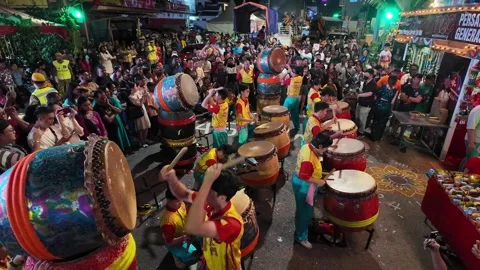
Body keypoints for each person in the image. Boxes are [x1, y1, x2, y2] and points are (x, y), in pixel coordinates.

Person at [160, 164, 243, 270]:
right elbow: (184, 194)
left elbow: (194, 227)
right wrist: (171, 177)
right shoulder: (210, 203)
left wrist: (207, 183)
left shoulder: (231, 223)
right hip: (209, 259)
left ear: (222, 197)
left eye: (208, 189)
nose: (203, 192)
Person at [292, 132, 333, 249]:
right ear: (320, 146)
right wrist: (319, 182)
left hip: (303, 182)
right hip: (304, 185)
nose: (326, 150)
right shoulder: (308, 159)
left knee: (303, 209)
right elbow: (304, 176)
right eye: (326, 148)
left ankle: (302, 223)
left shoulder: (307, 146)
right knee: (304, 212)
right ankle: (301, 237)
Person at [160, 187, 200, 269]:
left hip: (185, 233)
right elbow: (170, 242)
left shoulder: (180, 204)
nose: (181, 202)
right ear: (168, 200)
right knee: (191, 255)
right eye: (177, 201)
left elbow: (187, 212)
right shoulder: (168, 221)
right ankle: (181, 259)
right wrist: (183, 238)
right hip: (176, 242)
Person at [370, 76, 400, 141]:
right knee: (380, 122)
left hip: (381, 106)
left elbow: (377, 96)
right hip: (384, 106)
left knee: (378, 122)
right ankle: (376, 137)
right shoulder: (393, 90)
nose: (392, 82)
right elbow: (392, 102)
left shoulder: (384, 87)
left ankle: (375, 137)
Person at [128, 76, 151, 147]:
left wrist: (144, 95)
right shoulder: (131, 97)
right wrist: (143, 97)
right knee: (140, 128)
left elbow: (143, 100)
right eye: (135, 86)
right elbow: (139, 104)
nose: (136, 87)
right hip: (138, 113)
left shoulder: (138, 92)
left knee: (146, 126)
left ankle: (144, 139)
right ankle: (141, 142)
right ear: (132, 88)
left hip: (143, 110)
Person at [356, 69, 377, 135]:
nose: (364, 74)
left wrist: (360, 95)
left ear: (370, 75)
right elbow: (364, 91)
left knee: (363, 119)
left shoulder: (373, 83)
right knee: (358, 117)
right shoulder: (365, 82)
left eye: (366, 73)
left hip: (367, 104)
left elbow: (370, 93)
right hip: (361, 102)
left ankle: (361, 131)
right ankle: (357, 129)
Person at [283, 66, 303, 131]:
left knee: (284, 114)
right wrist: (289, 68)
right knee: (295, 114)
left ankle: (284, 128)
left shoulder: (290, 80)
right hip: (296, 99)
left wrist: (286, 73)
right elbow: (293, 73)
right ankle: (297, 127)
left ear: (295, 73)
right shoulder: (300, 78)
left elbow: (282, 81)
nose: (291, 73)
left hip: (289, 99)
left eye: (293, 72)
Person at [462, 99, 480, 169]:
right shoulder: (478, 110)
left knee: (471, 162)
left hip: (478, 142)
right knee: (471, 163)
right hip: (474, 141)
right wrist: (471, 143)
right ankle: (462, 177)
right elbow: (471, 127)